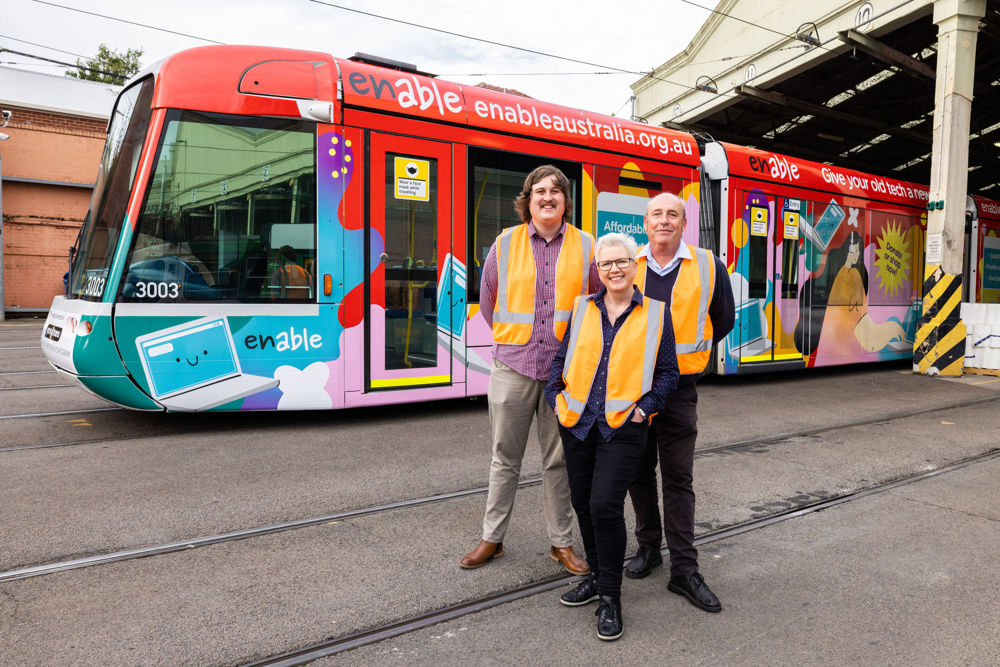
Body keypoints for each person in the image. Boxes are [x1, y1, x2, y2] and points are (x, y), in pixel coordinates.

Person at [460, 165, 600, 575]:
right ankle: (492, 538)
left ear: (564, 201)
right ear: (528, 198)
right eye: (540, 190)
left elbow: (594, 303)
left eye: (556, 191)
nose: (548, 197)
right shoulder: (505, 243)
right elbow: (488, 301)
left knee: (560, 462)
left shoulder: (586, 244)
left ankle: (561, 543)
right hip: (514, 365)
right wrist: (513, 338)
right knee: (505, 458)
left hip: (563, 371)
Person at [545, 232, 678, 641]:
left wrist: (647, 406)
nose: (615, 269)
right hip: (578, 422)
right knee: (584, 504)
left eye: (621, 262)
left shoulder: (657, 313)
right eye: (606, 264)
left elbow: (669, 372)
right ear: (597, 270)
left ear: (634, 266)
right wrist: (555, 396)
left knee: (605, 506)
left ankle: (610, 598)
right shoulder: (583, 307)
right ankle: (597, 580)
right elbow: (561, 358)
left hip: (624, 425)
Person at [625, 192, 735, 613]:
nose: (664, 221)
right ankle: (649, 547)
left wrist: (692, 359)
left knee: (677, 478)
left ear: (683, 223)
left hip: (679, 391)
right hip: (633, 389)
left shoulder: (708, 265)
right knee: (637, 472)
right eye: (657, 214)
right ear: (646, 222)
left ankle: (684, 570)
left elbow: (722, 318)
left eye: (673, 214)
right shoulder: (627, 265)